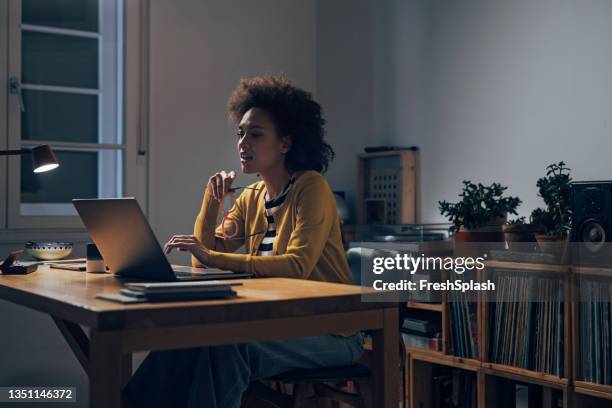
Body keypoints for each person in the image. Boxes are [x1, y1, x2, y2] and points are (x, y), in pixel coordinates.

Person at [125, 74, 364, 408]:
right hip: (285, 323)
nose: (242, 143)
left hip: (334, 331)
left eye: (255, 134)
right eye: (240, 133)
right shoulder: (252, 195)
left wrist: (211, 255)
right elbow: (203, 259)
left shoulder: (311, 188)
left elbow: (296, 266)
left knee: (226, 347)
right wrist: (210, 201)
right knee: (185, 339)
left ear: (285, 143)